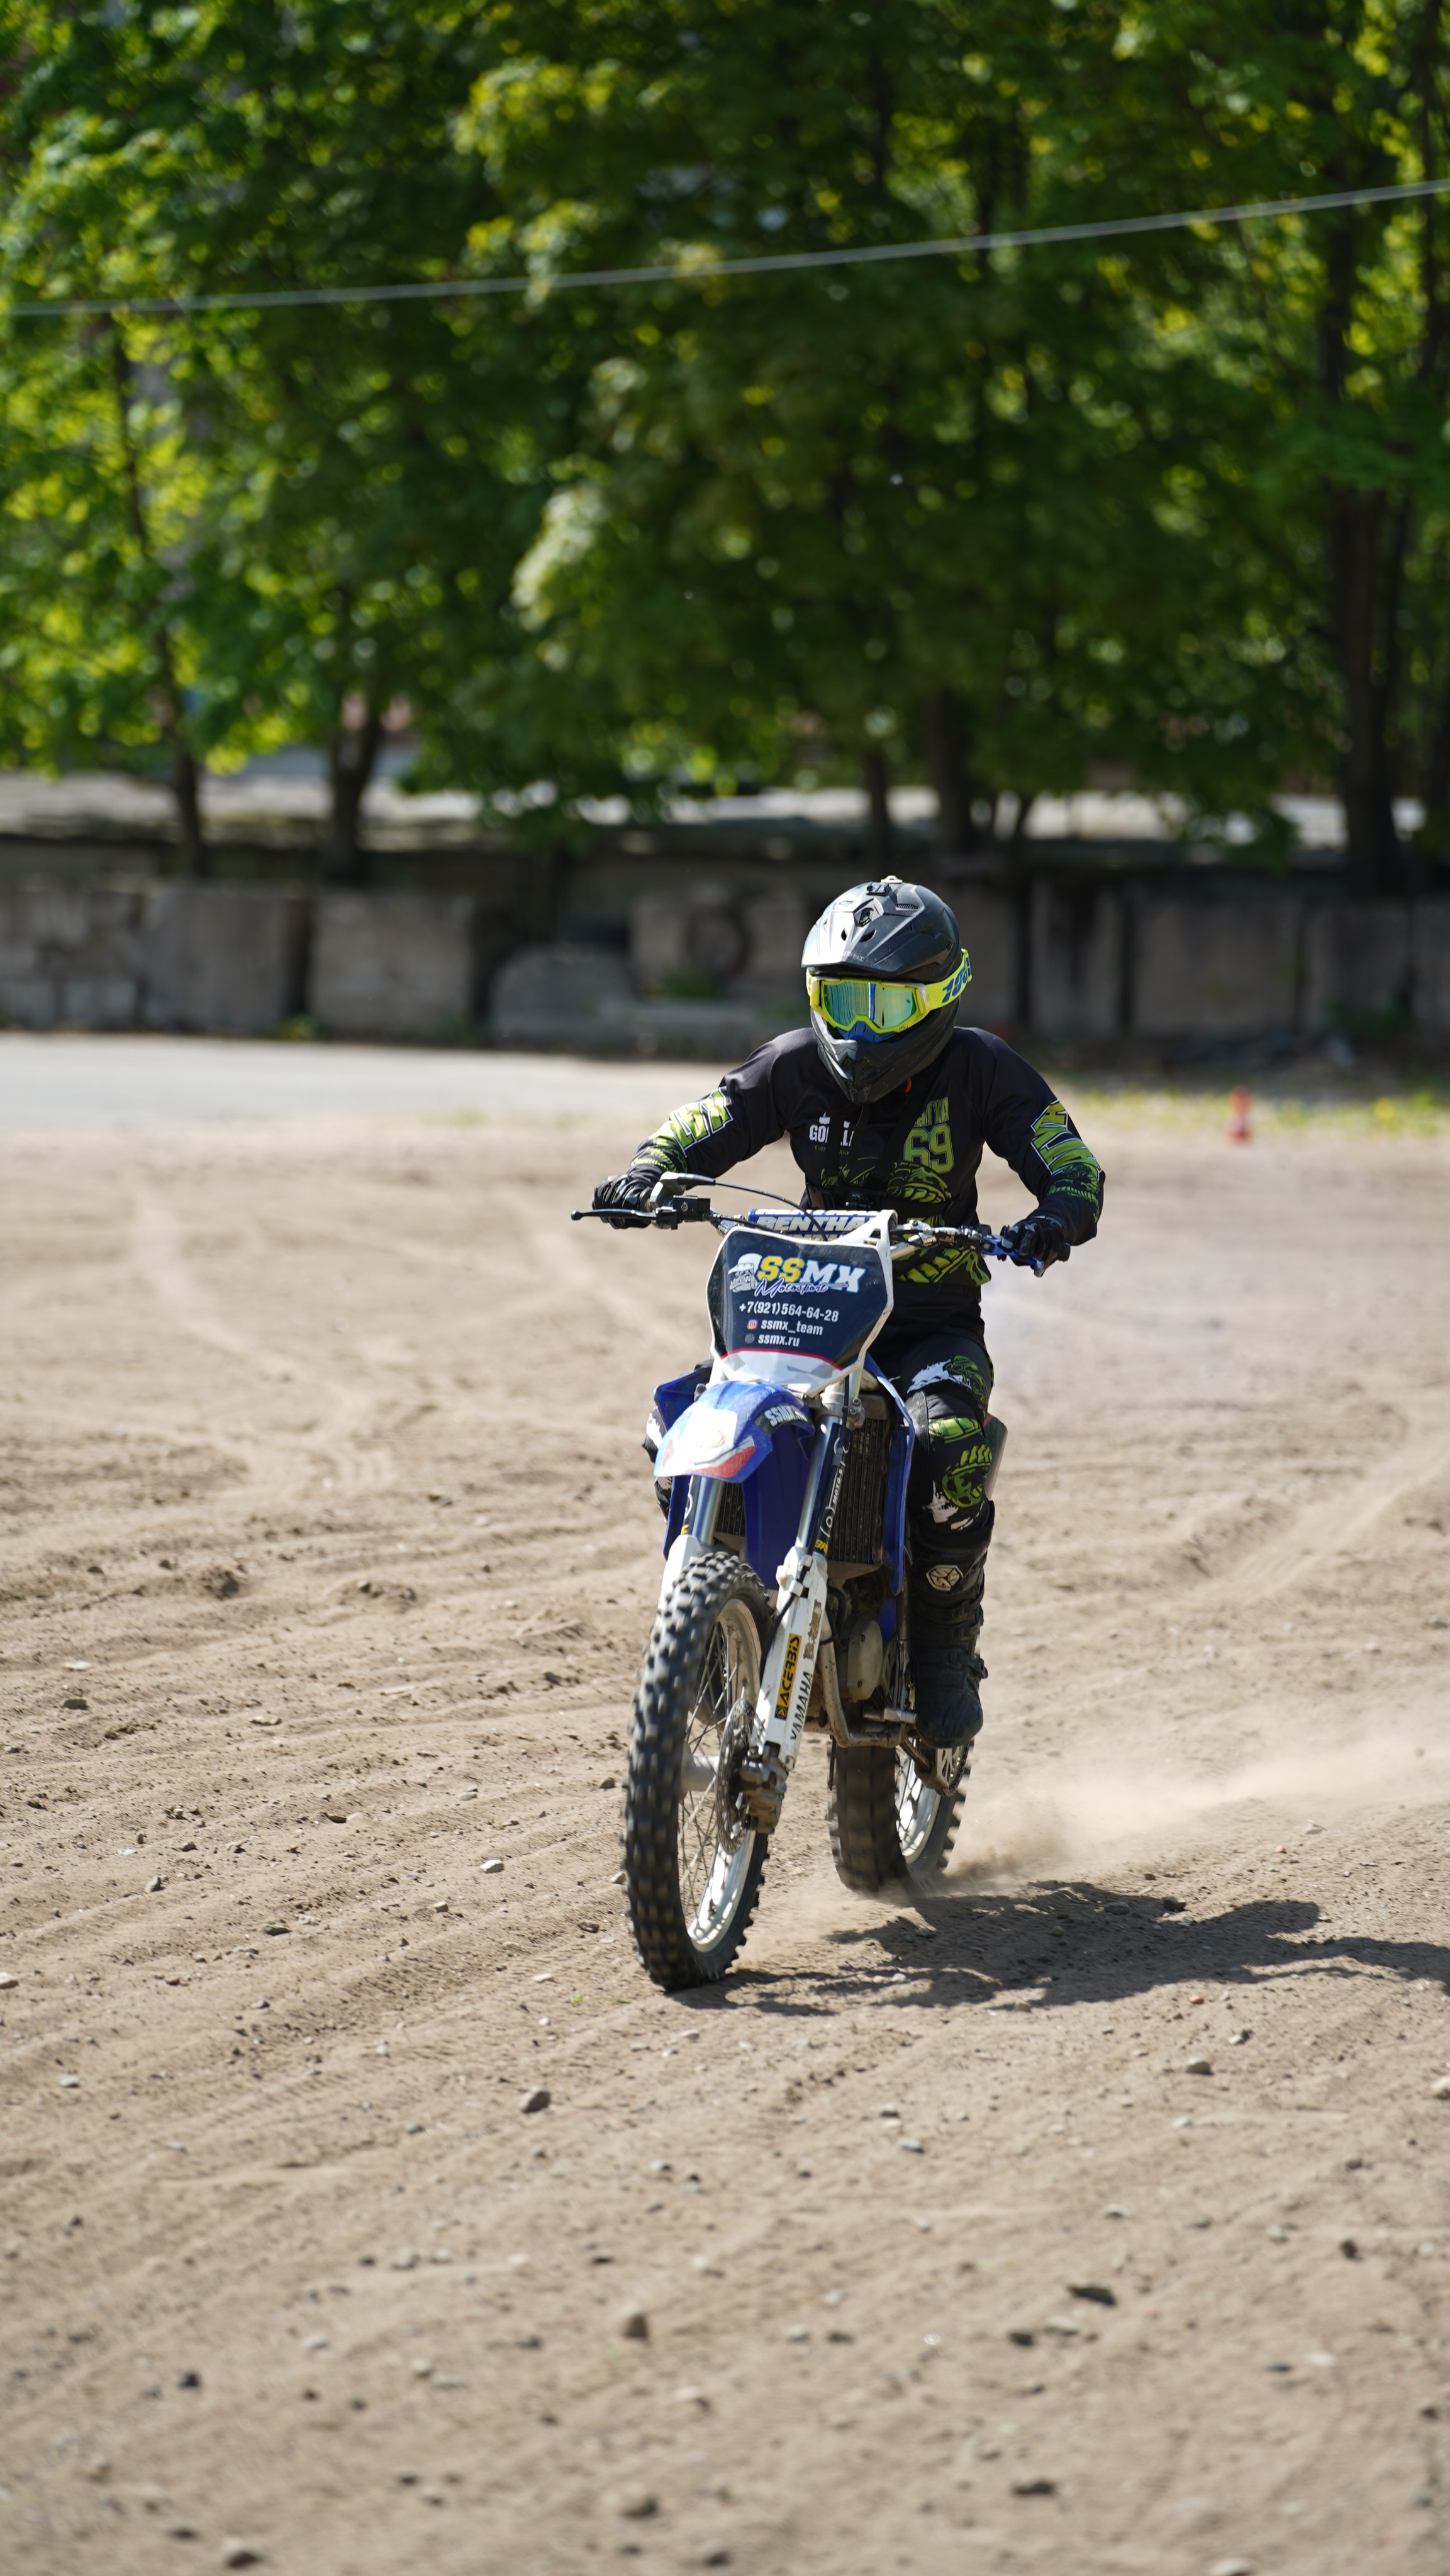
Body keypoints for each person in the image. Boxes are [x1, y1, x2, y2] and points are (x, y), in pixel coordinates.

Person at [592, 875, 1103, 1752]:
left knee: (951, 1444)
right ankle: (712, 1611)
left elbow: (1072, 1165)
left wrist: (1054, 1217)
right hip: (801, 1308)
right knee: (675, 1411)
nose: (858, 1025)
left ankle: (945, 1648)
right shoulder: (792, 1063)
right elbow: (708, 1118)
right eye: (840, 997)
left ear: (940, 995)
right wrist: (647, 1172)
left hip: (929, 1324)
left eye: (882, 1000)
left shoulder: (982, 1067)